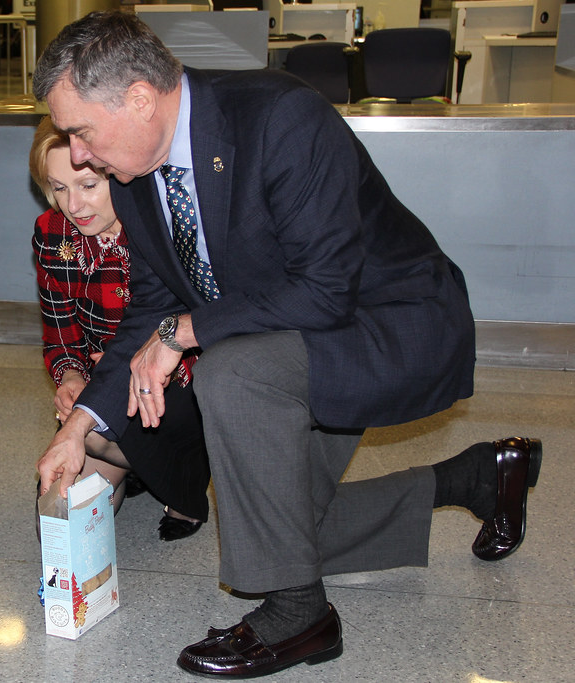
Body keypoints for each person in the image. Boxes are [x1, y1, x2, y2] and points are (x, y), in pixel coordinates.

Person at [32, 11, 542, 679]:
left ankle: (300, 614)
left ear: (139, 99)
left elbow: (325, 290)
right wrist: (79, 426)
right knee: (281, 528)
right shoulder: (135, 177)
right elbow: (149, 312)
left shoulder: (281, 120)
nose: (76, 154)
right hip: (290, 333)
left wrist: (182, 334)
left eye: (80, 131)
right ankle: (478, 476)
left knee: (230, 375)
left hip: (387, 320)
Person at [29, 115, 211, 541]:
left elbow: (196, 323)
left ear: (118, 172)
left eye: (88, 185)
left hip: (176, 383)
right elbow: (59, 331)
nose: (74, 206)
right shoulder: (52, 234)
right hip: (103, 388)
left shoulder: (161, 227)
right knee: (61, 528)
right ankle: (132, 462)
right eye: (59, 188)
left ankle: (179, 476)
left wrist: (129, 371)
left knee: (103, 433)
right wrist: (71, 376)